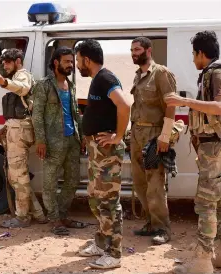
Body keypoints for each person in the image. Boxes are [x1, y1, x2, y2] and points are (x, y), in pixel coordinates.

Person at [165, 31, 221, 273]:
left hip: (216, 146)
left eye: (193, 54)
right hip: (218, 145)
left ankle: (202, 262)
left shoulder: (216, 73)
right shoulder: (214, 73)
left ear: (200, 53)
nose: (193, 59)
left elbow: (219, 107)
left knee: (206, 204)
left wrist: (183, 102)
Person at [74, 39, 132, 269]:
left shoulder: (105, 78)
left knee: (109, 202)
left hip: (106, 151)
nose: (78, 65)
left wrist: (118, 136)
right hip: (97, 150)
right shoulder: (97, 80)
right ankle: (100, 243)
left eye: (79, 60)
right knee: (95, 198)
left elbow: (124, 105)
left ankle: (114, 253)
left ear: (87, 60)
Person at [32, 46, 86, 235]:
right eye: (67, 62)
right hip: (53, 142)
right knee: (50, 183)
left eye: (72, 62)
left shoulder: (70, 86)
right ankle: (54, 220)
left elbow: (75, 113)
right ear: (56, 63)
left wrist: (82, 135)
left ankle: (62, 215)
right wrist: (41, 140)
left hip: (72, 140)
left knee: (73, 180)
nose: (71, 65)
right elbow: (37, 114)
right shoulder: (44, 85)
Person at [129, 37, 177, 245]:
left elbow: (171, 105)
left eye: (137, 49)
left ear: (148, 50)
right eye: (132, 50)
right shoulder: (139, 75)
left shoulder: (161, 74)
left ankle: (161, 229)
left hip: (154, 136)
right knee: (140, 184)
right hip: (137, 135)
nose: (134, 53)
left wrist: (165, 136)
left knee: (155, 184)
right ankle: (150, 223)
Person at [0, 48, 47, 228]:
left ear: (17, 61)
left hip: (20, 132)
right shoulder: (15, 78)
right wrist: (5, 127)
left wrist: (4, 82)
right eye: (4, 63)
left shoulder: (21, 76)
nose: (5, 66)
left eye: (8, 62)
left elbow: (23, 89)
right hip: (15, 129)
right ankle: (38, 213)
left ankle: (22, 217)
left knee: (18, 176)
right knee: (16, 176)